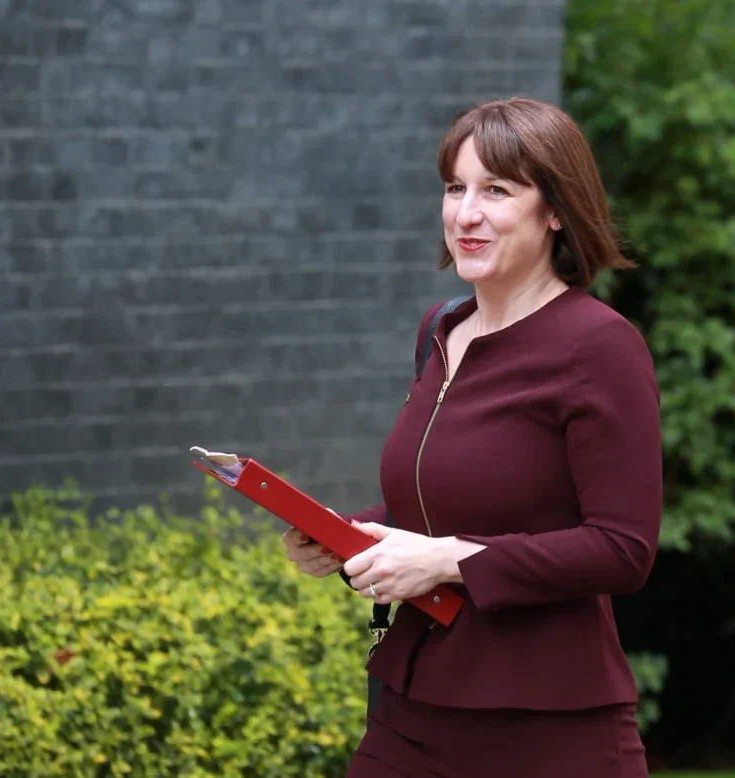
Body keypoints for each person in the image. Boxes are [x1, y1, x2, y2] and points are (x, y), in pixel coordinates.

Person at [282, 96, 662, 778]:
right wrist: (351, 535)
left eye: (497, 190)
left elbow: (623, 549)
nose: (466, 214)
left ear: (555, 211)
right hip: (413, 709)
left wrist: (449, 563)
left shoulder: (601, 346)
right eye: (455, 188)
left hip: (546, 729)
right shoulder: (439, 329)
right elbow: (438, 509)